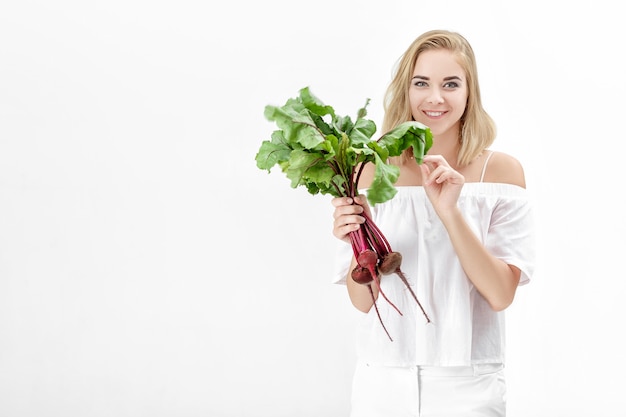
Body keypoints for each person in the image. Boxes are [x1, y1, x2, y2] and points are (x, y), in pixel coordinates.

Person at [331, 29, 535, 417]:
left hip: (469, 382)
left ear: (469, 92)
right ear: (405, 90)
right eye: (421, 83)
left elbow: (500, 294)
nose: (435, 97)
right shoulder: (369, 172)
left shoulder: (501, 173)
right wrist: (356, 243)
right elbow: (362, 303)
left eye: (451, 84)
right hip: (382, 379)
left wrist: (449, 211)